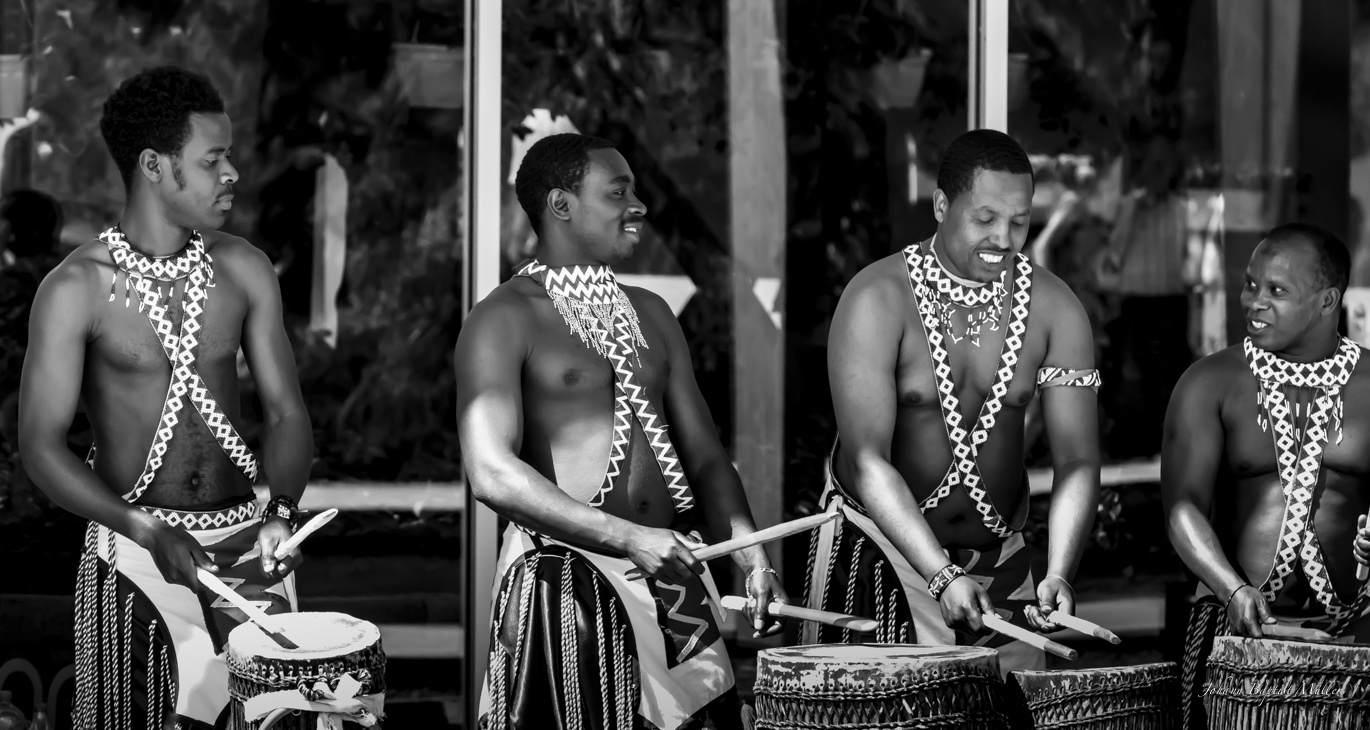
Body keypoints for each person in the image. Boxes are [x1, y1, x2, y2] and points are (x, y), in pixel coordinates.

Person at [457, 132, 787, 730]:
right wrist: (629, 538)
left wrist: (753, 556)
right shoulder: (503, 318)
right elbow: (492, 474)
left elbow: (707, 458)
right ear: (561, 206)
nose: (637, 205)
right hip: (567, 586)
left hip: (674, 572)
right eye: (617, 192)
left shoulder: (652, 312)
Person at [18, 66, 313, 730]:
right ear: (154, 166)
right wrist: (144, 527)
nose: (232, 172)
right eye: (212, 160)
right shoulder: (77, 288)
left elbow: (287, 412)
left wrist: (283, 514)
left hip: (251, 547)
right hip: (138, 550)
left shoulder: (244, 267)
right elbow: (38, 446)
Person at [804, 129, 1102, 674]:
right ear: (942, 205)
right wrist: (940, 575)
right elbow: (868, 459)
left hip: (1002, 565)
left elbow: (1078, 460)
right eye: (985, 218)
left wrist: (1059, 571)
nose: (1004, 238)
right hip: (882, 557)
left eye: (1019, 221)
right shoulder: (877, 297)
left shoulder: (1057, 307)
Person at [1163, 224, 1370, 720]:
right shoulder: (1209, 382)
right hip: (1237, 635)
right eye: (1251, 285)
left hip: (1358, 634)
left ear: (1327, 301)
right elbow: (1181, 506)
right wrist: (1231, 589)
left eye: (1277, 291)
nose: (1254, 302)